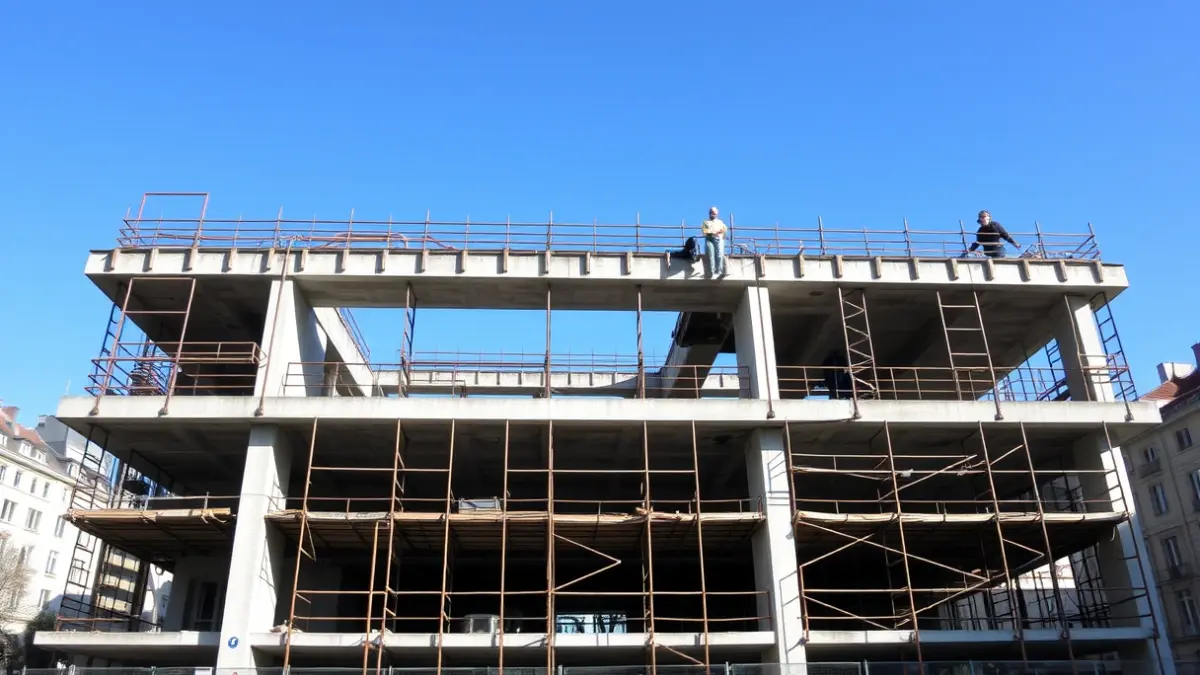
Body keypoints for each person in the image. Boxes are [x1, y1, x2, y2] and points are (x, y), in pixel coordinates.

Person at [701, 206, 728, 278]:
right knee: (711, 254)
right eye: (711, 212)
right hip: (710, 239)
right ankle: (711, 271)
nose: (712, 214)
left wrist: (720, 233)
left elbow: (725, 229)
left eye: (714, 212)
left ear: (716, 213)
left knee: (719, 254)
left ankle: (719, 271)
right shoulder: (706, 222)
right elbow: (705, 231)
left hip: (718, 239)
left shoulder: (720, 222)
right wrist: (714, 233)